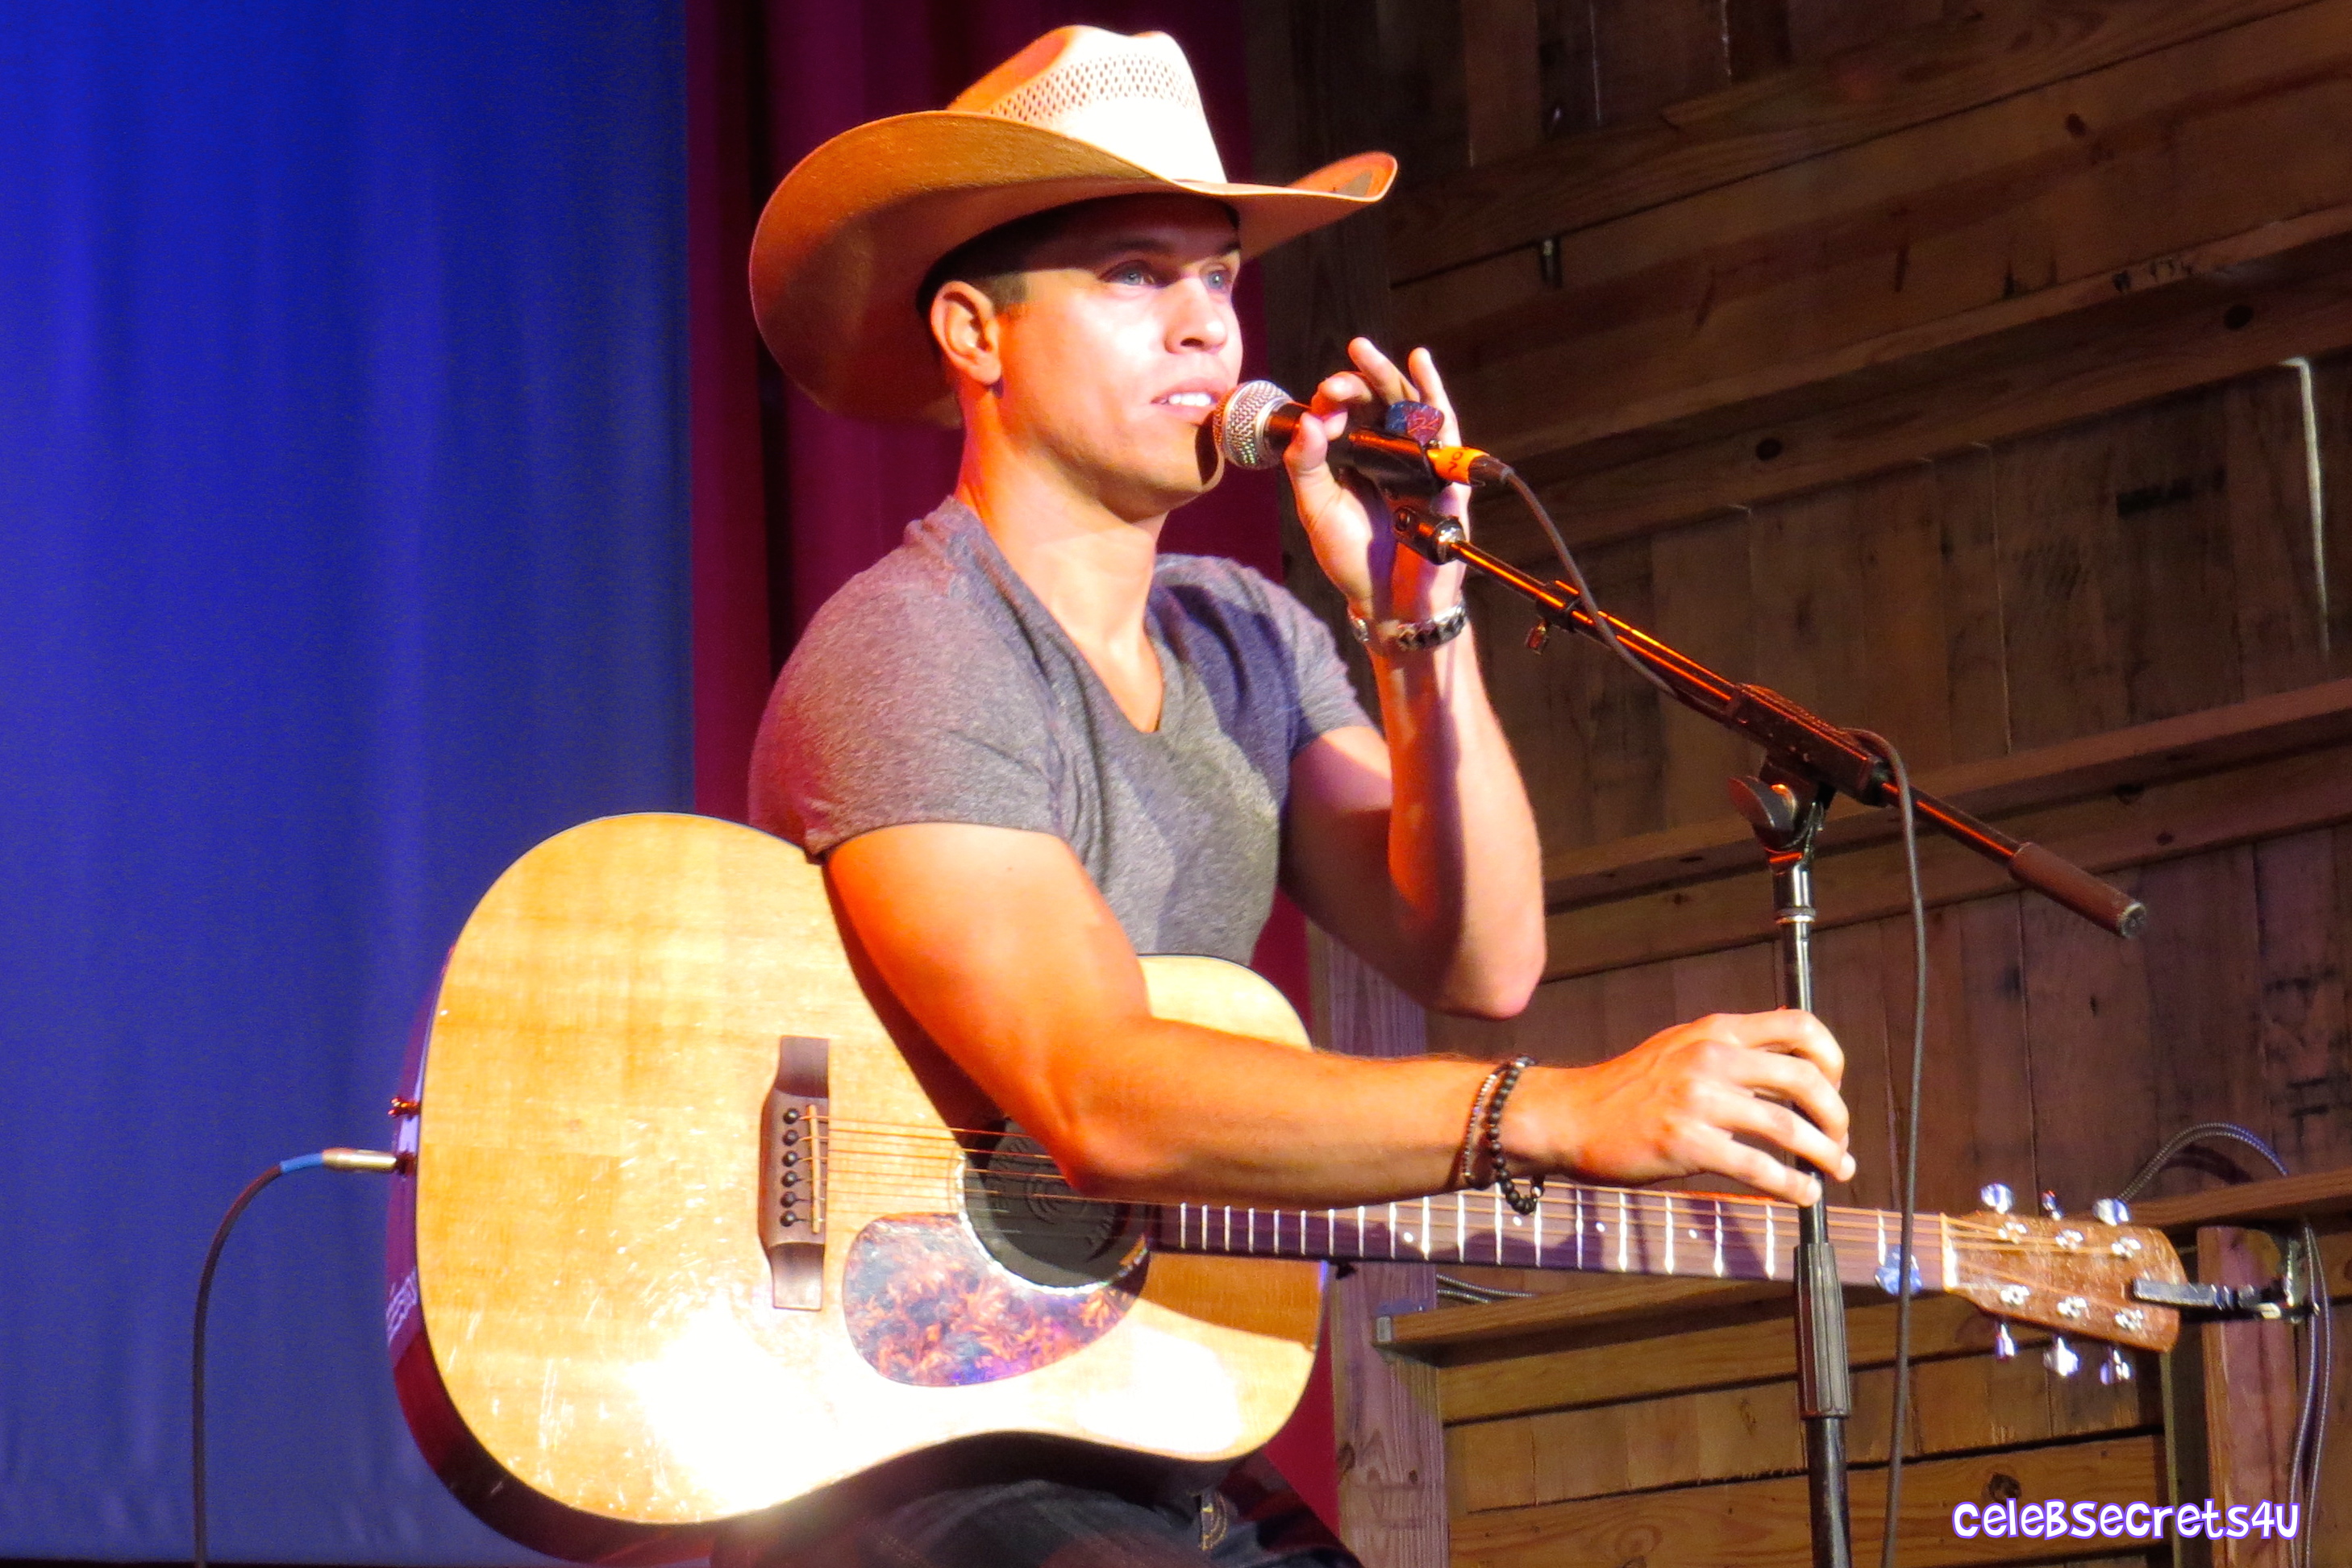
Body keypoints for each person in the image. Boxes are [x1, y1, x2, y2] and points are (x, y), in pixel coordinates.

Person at [743, 26, 1855, 1568]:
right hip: (907, 1454)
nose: (1210, 330)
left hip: (1130, 1423)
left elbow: (1478, 958)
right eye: (1139, 275)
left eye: (1219, 278)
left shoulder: (1246, 633)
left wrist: (1417, 616)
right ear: (972, 333)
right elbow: (1097, 1095)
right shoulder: (913, 647)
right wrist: (1565, 1109)